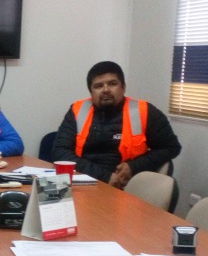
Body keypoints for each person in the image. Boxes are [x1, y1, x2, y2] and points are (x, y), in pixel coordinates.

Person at [51, 61, 181, 188]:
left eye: (112, 84)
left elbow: (171, 147)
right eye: (98, 86)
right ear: (91, 92)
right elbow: (60, 151)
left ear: (123, 87)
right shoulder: (77, 110)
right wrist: (104, 176)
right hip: (81, 182)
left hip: (123, 187)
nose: (106, 90)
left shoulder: (144, 111)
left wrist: (134, 166)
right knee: (44, 193)